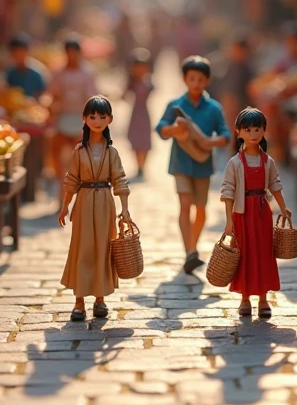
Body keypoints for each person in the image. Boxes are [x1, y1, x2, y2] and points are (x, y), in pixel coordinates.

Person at [58, 96, 131, 321]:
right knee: (82, 248)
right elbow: (71, 180)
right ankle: (79, 300)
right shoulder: (79, 152)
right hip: (84, 200)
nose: (97, 121)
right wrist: (65, 206)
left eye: (102, 116)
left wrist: (125, 209)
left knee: (103, 248)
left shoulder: (112, 153)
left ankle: (100, 298)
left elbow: (120, 180)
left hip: (105, 204)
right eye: (93, 116)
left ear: (110, 119)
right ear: (84, 119)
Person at [156, 55, 230, 274]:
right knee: (185, 203)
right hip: (180, 163)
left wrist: (211, 142)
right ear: (184, 79)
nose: (196, 83)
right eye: (192, 79)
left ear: (207, 81)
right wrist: (172, 130)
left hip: (203, 164)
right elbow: (160, 128)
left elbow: (226, 134)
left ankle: (193, 247)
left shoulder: (214, 108)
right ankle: (190, 251)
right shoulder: (175, 105)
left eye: (200, 79)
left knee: (201, 209)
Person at [221, 107, 291, 320]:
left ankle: (263, 298)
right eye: (248, 130)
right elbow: (228, 192)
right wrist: (228, 221)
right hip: (242, 214)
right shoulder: (234, 163)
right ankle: (244, 298)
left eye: (257, 129)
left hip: (261, 213)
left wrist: (283, 206)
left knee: (263, 253)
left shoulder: (267, 161)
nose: (253, 134)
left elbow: (275, 184)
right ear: (239, 132)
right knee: (244, 254)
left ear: (264, 131)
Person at [48, 36, 98, 182]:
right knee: (56, 152)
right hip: (63, 117)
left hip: (80, 119)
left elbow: (91, 97)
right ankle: (61, 180)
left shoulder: (87, 73)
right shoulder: (59, 73)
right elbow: (53, 94)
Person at [124, 47, 153, 179]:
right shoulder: (132, 83)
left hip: (144, 113)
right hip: (135, 114)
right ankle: (138, 166)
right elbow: (124, 96)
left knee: (145, 141)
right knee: (135, 140)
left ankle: (143, 166)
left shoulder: (148, 82)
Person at [220, 36, 254, 144]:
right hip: (232, 103)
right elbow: (226, 88)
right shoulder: (232, 67)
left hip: (243, 104)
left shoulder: (247, 68)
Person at [5, 33, 48, 99]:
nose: (18, 55)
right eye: (15, 52)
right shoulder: (11, 73)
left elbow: (44, 94)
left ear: (27, 51)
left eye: (21, 51)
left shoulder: (38, 72)